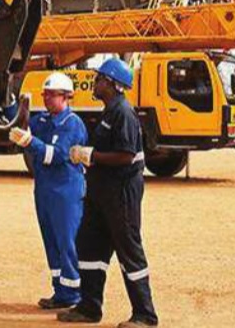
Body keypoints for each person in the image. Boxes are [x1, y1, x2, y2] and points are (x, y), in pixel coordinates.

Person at [58, 58, 159, 327]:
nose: (96, 82)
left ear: (113, 84)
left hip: (121, 194)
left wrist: (91, 155)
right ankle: (90, 307)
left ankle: (145, 315)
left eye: (100, 78)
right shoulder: (110, 110)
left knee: (129, 251)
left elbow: (126, 156)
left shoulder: (123, 112)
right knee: (89, 247)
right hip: (101, 194)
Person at [8, 72, 88, 310]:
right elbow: (17, 122)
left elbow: (59, 155)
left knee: (67, 241)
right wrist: (12, 100)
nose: (47, 99)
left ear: (66, 97)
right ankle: (60, 290)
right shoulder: (42, 121)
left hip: (66, 193)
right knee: (51, 241)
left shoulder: (73, 124)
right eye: (45, 95)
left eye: (52, 95)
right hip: (45, 190)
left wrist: (30, 143)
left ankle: (73, 293)